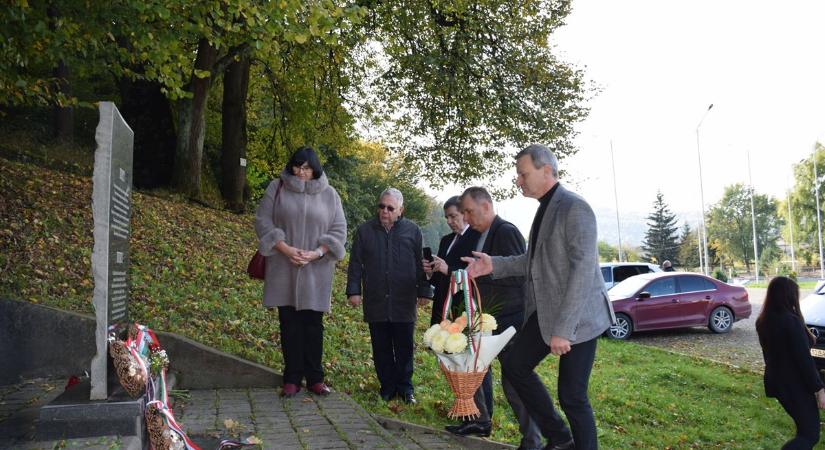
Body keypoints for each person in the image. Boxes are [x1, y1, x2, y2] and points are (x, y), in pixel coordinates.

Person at [463, 144, 615, 450]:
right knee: (516, 366)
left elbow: (583, 272)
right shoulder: (546, 208)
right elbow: (530, 260)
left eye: (523, 173)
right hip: (546, 313)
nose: (518, 180)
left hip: (579, 317)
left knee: (572, 396)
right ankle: (560, 438)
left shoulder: (575, 208)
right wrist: (494, 264)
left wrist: (563, 329)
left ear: (546, 170)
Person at [443, 186, 542, 449]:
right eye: (462, 211)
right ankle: (479, 420)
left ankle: (532, 439)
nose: (465, 216)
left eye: (469, 211)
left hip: (508, 320)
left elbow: (521, 274)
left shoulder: (506, 231)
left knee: (514, 380)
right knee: (474, 370)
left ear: (486, 207)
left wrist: (488, 269)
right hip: (484, 317)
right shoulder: (478, 235)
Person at [255, 146, 347, 398]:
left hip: (316, 269)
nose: (300, 172)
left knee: (313, 324)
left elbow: (339, 230)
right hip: (284, 265)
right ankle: (291, 378)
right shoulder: (277, 187)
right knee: (289, 323)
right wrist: (285, 249)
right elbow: (263, 221)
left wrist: (317, 252)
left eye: (306, 167)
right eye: (297, 166)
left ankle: (315, 378)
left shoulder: (330, 194)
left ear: (315, 169)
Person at [347, 188, 433, 404]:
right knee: (381, 346)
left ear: (400, 210)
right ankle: (387, 387)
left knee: (404, 347)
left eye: (390, 208)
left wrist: (424, 290)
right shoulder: (364, 231)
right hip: (376, 299)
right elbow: (355, 263)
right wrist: (354, 290)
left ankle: (405, 389)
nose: (384, 211)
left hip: (404, 300)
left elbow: (420, 263)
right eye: (381, 206)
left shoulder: (413, 231)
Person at [756, 276, 825, 449]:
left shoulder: (763, 321)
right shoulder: (790, 321)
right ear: (789, 296)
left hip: (777, 383)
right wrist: (819, 388)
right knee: (810, 435)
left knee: (804, 431)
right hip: (794, 384)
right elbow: (804, 360)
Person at [423, 196, 480, 326]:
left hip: (461, 310)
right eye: (446, 217)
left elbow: (476, 274)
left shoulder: (477, 237)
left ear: (465, 213)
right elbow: (438, 279)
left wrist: (448, 269)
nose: (449, 221)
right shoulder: (446, 240)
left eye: (453, 216)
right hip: (440, 308)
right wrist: (431, 272)